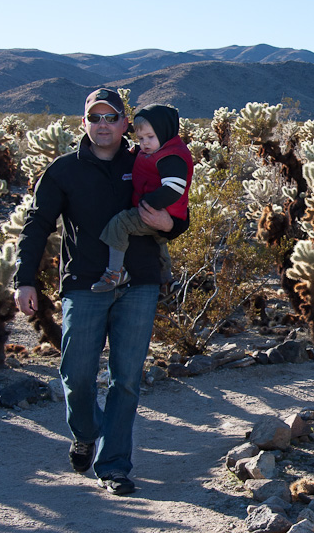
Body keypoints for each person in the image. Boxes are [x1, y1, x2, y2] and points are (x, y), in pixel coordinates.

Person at [14, 88, 189, 496]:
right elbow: (37, 225)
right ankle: (86, 432)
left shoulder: (145, 158)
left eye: (112, 117)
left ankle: (114, 466)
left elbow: (179, 209)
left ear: (125, 123)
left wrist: (170, 226)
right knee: (76, 376)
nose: (104, 124)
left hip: (139, 283)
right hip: (84, 283)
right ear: (84, 123)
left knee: (125, 380)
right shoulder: (63, 170)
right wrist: (24, 279)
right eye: (95, 117)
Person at [91, 104, 193, 293]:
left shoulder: (172, 158)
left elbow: (174, 188)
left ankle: (115, 272)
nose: (145, 143)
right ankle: (167, 280)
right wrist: (138, 150)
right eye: (141, 138)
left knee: (120, 224)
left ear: (164, 132)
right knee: (159, 241)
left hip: (158, 208)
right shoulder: (160, 150)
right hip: (167, 212)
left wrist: (148, 204)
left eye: (150, 137)